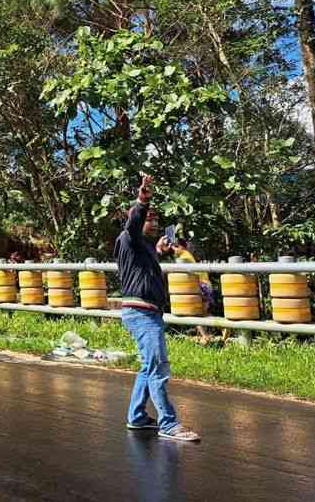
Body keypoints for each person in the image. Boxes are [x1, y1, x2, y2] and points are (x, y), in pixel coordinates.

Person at [115, 173, 200, 442]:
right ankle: (168, 423)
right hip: (140, 313)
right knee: (159, 367)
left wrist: (160, 251)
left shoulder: (143, 249)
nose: (153, 223)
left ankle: (137, 417)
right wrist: (144, 194)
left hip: (148, 312)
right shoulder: (128, 238)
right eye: (149, 219)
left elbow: (146, 269)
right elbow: (134, 222)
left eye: (155, 219)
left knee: (148, 366)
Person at [171, 238, 228, 344]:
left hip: (201, 286)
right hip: (205, 285)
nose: (173, 250)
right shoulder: (188, 255)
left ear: (181, 247)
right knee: (203, 313)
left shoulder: (184, 256)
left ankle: (207, 335)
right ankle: (221, 327)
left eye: (175, 247)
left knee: (196, 314)